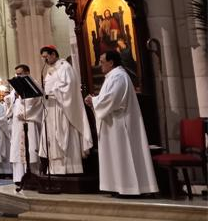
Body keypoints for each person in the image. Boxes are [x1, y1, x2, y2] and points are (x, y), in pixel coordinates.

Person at [85, 51, 158, 196]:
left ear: (111, 62)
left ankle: (128, 188)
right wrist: (96, 99)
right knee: (116, 155)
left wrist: (93, 101)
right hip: (113, 123)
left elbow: (113, 98)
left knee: (123, 154)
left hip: (120, 124)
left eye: (102, 61)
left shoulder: (119, 76)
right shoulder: (113, 76)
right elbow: (108, 97)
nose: (100, 65)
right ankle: (119, 187)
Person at [38, 45, 93, 174]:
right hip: (51, 109)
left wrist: (54, 92)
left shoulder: (65, 67)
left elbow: (70, 88)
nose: (44, 60)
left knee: (64, 135)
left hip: (63, 109)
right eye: (43, 58)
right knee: (52, 138)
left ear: (53, 54)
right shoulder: (50, 70)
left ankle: (71, 169)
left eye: (46, 57)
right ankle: (55, 170)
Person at [8, 64, 43, 184]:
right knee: (18, 150)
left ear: (27, 73)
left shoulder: (34, 85)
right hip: (18, 123)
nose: (17, 76)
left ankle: (33, 176)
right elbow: (11, 104)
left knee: (31, 149)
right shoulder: (16, 87)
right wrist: (14, 98)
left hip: (29, 121)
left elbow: (36, 102)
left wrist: (24, 111)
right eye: (16, 74)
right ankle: (19, 178)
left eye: (20, 74)